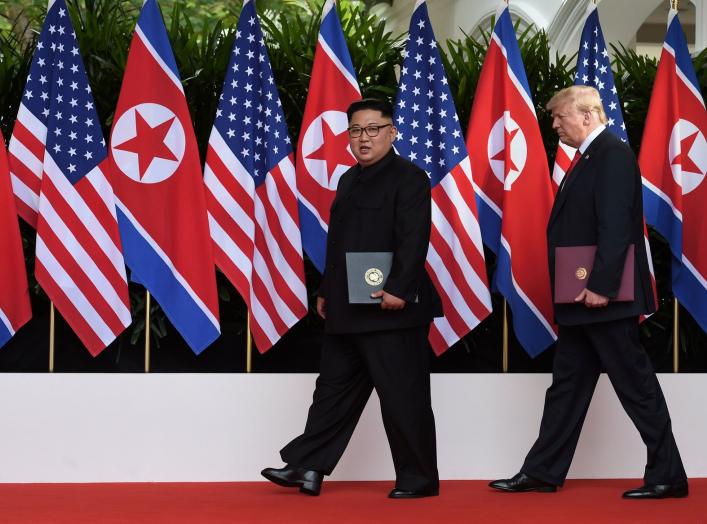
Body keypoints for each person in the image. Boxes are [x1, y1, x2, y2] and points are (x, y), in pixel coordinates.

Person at [489, 86, 688, 499]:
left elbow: (615, 226)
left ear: (587, 114)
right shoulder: (592, 157)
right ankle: (542, 471)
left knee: (635, 385)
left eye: (559, 116)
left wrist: (601, 285)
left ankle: (668, 475)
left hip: (601, 298)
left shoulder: (611, 154)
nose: (554, 123)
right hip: (582, 298)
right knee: (566, 386)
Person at [261, 98, 442, 498]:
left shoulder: (410, 177)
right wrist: (326, 290)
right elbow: (339, 243)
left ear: (392, 132)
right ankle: (308, 468)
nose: (364, 138)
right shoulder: (347, 179)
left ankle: (419, 480)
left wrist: (400, 287)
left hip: (391, 306)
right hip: (347, 306)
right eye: (356, 130)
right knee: (331, 391)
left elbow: (415, 238)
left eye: (373, 129)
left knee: (402, 396)